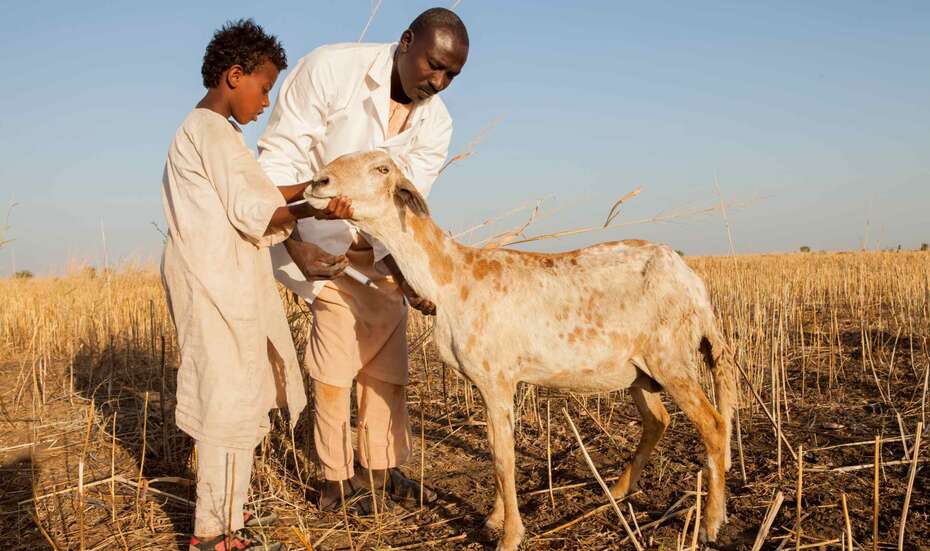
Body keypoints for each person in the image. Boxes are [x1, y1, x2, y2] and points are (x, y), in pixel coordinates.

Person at [257, 7, 469, 513]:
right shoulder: (330, 70)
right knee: (333, 368)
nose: (437, 81)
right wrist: (293, 241)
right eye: (432, 64)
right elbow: (279, 161)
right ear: (406, 41)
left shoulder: (436, 123)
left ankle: (380, 469)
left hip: (381, 258)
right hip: (319, 248)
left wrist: (411, 275)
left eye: (451, 75)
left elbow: (406, 206)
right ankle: (334, 477)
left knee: (387, 368)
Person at [160, 19, 352, 551]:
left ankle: (230, 523)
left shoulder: (218, 135)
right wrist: (318, 202)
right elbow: (259, 210)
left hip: (228, 285)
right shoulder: (207, 132)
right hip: (213, 285)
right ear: (234, 75)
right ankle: (210, 533)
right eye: (264, 87)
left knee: (240, 396)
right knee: (225, 401)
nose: (266, 101)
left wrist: (321, 187)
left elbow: (262, 191)